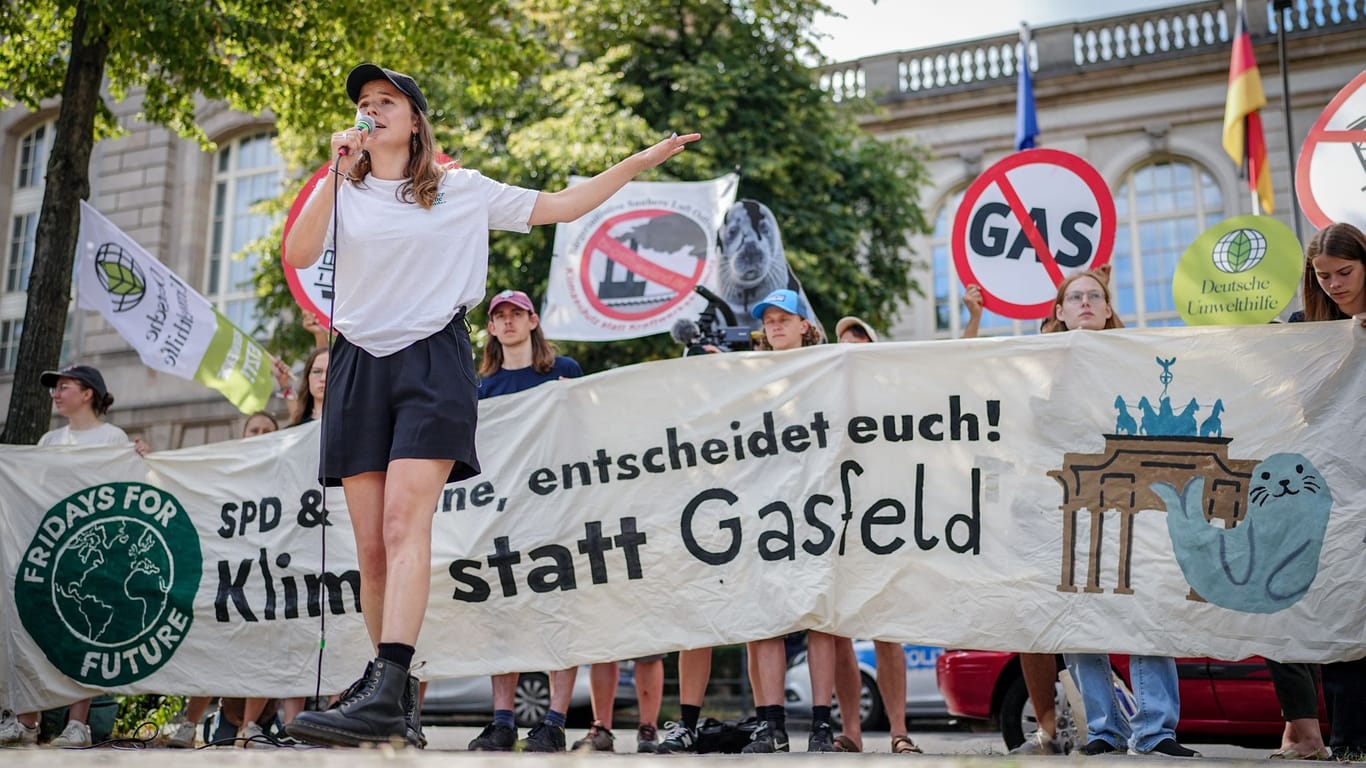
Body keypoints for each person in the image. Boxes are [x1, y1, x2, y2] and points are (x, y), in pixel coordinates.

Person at [282, 62, 698, 749]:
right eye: (364, 102)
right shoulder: (343, 189)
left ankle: (387, 682)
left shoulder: (460, 189)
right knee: (370, 550)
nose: (371, 110)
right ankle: (393, 703)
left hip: (430, 361)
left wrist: (638, 161)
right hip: (358, 361)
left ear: (415, 120)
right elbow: (297, 252)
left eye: (387, 101)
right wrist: (335, 171)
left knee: (401, 521)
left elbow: (562, 204)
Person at [1039, 270, 1197, 758]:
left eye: (1095, 296)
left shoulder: (1139, 360)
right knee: (1081, 611)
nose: (1085, 302)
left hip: (1137, 502)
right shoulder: (1043, 367)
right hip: (1072, 504)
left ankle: (1156, 730)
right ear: (1060, 313)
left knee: (1144, 606)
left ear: (1108, 309)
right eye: (1075, 297)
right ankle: (1104, 729)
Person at [0, 365, 143, 748]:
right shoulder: (50, 440)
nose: (55, 394)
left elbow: (126, 487)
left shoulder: (113, 437)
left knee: (84, 631)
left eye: (64, 387)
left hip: (94, 552)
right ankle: (26, 720)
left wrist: (139, 456)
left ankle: (77, 724)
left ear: (88, 394)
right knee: (34, 629)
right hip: (52, 550)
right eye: (54, 388)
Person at [1269, 222, 1366, 762]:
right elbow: (1302, 407)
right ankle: (1350, 738)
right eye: (1323, 276)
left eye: (1344, 272)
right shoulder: (1308, 326)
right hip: (1336, 492)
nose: (1334, 284)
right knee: (1341, 609)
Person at [832, 316, 927, 756]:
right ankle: (850, 732)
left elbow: (952, 380)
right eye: (843, 346)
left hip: (885, 518)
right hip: (837, 522)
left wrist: (975, 321)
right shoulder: (826, 397)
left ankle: (899, 732)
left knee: (887, 628)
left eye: (859, 342)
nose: (851, 350)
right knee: (840, 631)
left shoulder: (894, 397)